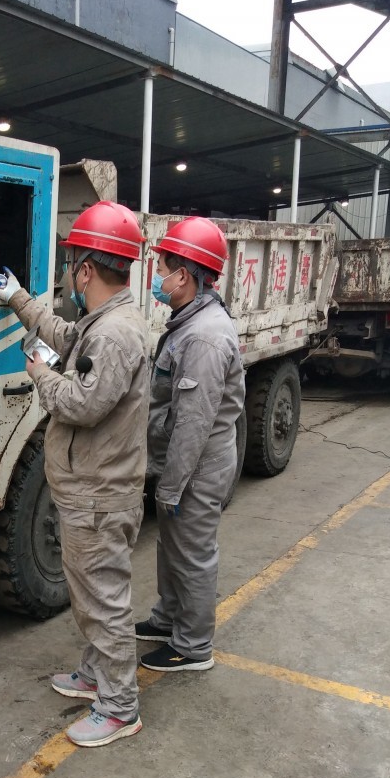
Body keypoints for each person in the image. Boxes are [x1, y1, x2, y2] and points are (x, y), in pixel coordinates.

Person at [0, 200, 149, 748]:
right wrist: (18, 299)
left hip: (100, 496)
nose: (67, 272)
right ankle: (96, 674)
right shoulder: (104, 322)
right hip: (93, 489)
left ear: (85, 270)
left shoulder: (114, 334)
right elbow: (65, 336)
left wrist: (40, 375)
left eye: (70, 262)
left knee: (103, 601)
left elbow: (82, 404)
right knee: (91, 594)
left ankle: (120, 705)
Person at [136, 217, 245, 672]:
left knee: (193, 554)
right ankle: (168, 619)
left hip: (196, 465)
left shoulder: (203, 336)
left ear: (183, 275)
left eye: (162, 268)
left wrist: (172, 485)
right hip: (183, 461)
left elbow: (194, 424)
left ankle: (193, 645)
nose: (157, 277)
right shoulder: (190, 322)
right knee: (172, 546)